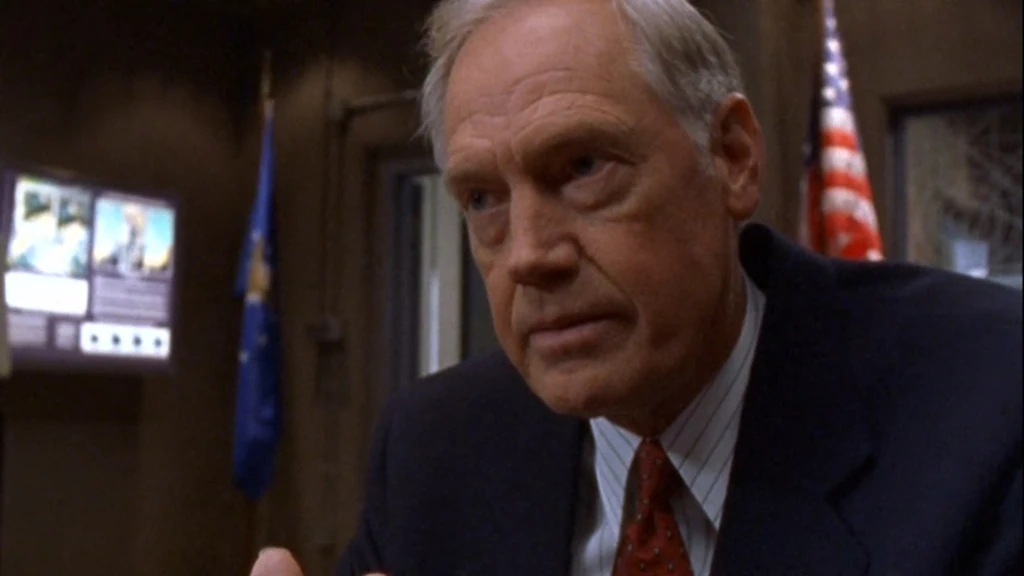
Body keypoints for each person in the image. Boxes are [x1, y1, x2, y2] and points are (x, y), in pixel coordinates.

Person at [251, 0, 1022, 574]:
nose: (530, 255)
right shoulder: (437, 449)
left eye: (584, 168)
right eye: (483, 199)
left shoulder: (988, 402)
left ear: (732, 157)